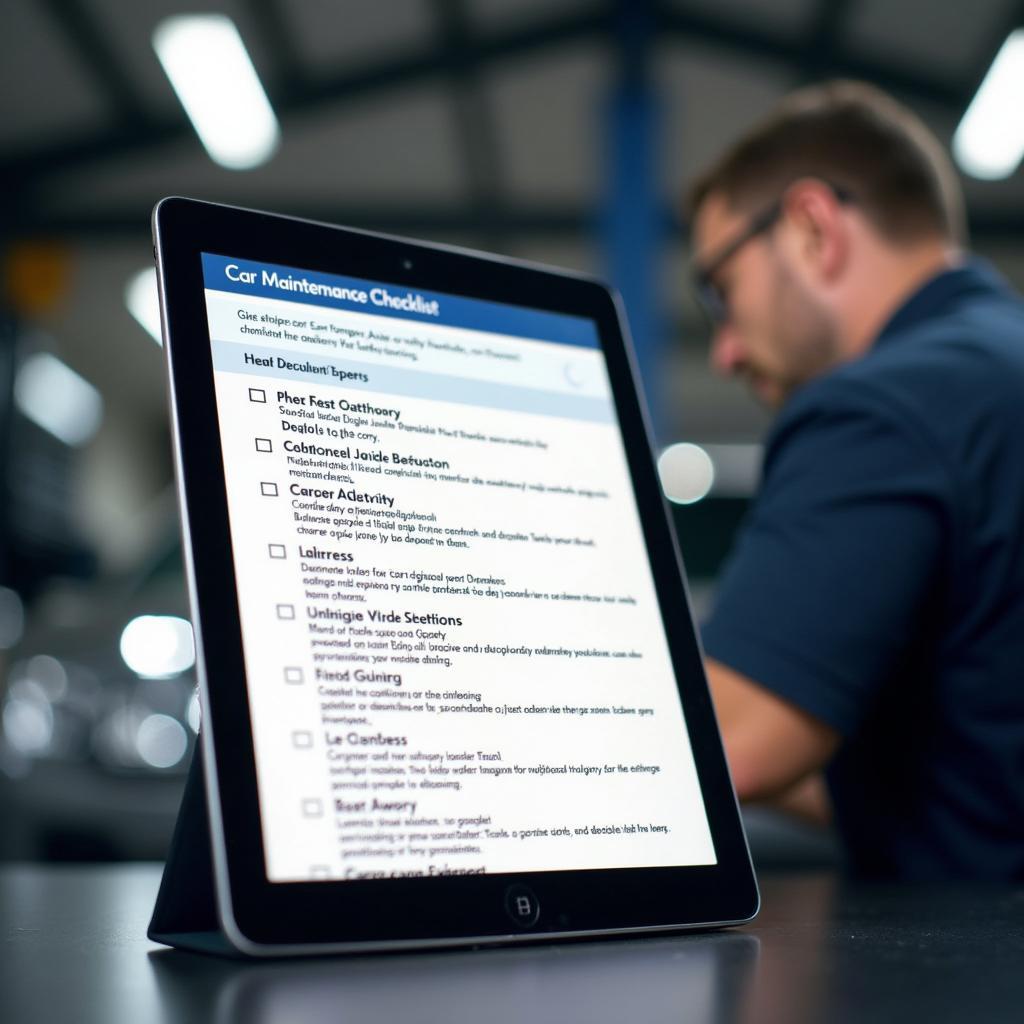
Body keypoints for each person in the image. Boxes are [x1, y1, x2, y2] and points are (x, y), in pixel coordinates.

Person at [686, 80, 1024, 879]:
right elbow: (971, 767)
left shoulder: (884, 406)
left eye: (720, 292)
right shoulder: (997, 366)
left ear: (811, 227)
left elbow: (728, 750)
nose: (724, 351)